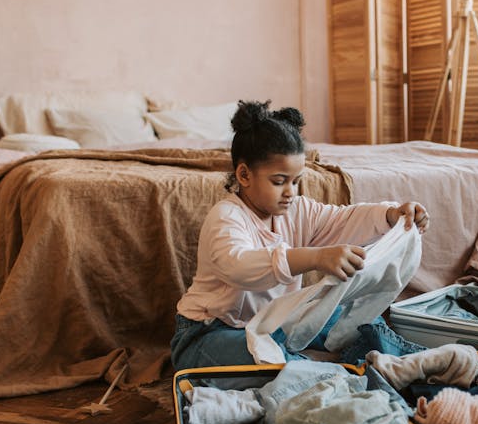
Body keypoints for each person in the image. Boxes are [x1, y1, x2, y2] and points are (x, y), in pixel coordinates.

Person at [171, 99, 430, 371]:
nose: (290, 192)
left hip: (275, 323)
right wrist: (315, 258)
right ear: (244, 175)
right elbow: (239, 266)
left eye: (296, 181)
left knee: (356, 323)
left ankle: (416, 364)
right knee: (271, 358)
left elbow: (343, 219)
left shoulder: (296, 210)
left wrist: (391, 215)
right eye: (279, 181)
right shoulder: (226, 217)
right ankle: (331, 375)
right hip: (208, 334)